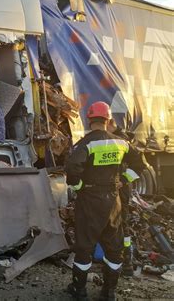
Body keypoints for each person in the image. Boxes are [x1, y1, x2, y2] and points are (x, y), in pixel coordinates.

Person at [65, 101, 147, 300]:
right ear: (108, 119)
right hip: (113, 200)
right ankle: (109, 292)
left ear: (89, 119)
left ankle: (79, 290)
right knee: (114, 247)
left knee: (85, 245)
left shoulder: (86, 143)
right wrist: (124, 180)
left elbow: (72, 170)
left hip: (90, 200)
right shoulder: (121, 143)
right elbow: (140, 164)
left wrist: (79, 187)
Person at [107, 118, 140, 276]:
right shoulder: (116, 139)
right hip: (117, 188)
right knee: (118, 223)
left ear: (111, 124)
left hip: (121, 190)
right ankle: (122, 261)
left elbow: (140, 165)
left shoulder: (121, 142)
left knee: (122, 223)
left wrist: (124, 180)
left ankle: (126, 261)